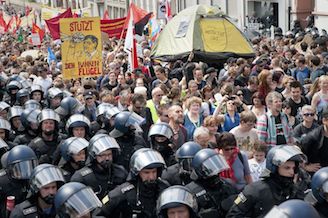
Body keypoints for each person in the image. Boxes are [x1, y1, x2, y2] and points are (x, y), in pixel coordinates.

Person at [226, 145, 306, 217]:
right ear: (274, 168)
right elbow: (233, 215)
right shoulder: (255, 190)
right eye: (287, 168)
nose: (291, 172)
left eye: (293, 168)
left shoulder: (295, 190)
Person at [99, 148, 169, 217]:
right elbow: (98, 214)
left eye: (154, 172)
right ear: (137, 173)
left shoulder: (164, 189)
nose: (151, 177)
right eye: (146, 173)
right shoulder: (122, 193)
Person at [71, 134, 127, 200]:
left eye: (109, 154)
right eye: (103, 155)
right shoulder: (82, 177)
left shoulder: (120, 171)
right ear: (94, 155)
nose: (107, 158)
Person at [186, 148, 237, 217]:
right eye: (210, 168)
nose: (215, 173)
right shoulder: (191, 191)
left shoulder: (227, 184)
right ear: (200, 170)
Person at [0, 145, 39, 217]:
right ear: (10, 168)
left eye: (30, 166)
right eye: (21, 167)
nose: (26, 172)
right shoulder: (2, 181)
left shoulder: (33, 179)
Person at [300, 107, 328, 173]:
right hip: (319, 174)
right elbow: (298, 153)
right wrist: (305, 167)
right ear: (324, 120)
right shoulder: (312, 138)